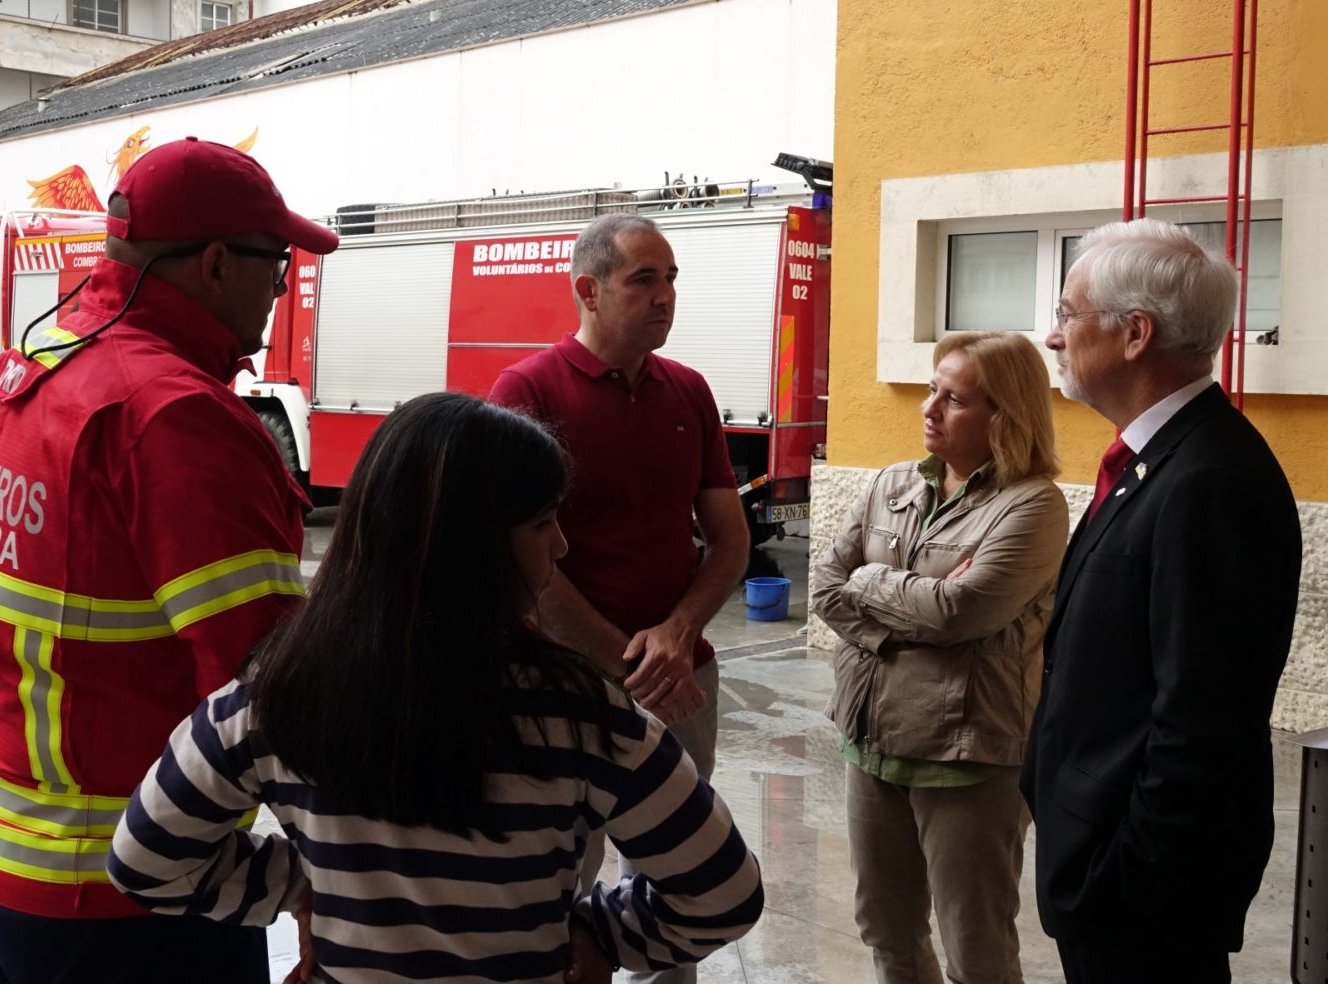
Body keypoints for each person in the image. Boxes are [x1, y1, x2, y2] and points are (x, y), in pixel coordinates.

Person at [107, 392, 764, 982]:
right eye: (542, 524)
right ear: (474, 548)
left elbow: (145, 860)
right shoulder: (586, 718)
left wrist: (307, 886)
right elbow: (722, 893)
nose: (561, 548)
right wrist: (601, 937)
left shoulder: (274, 697)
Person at [0, 137, 337, 982]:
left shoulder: (35, 368)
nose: (279, 291)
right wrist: (337, 887)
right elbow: (272, 690)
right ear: (216, 264)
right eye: (277, 268)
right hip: (126, 901)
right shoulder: (174, 418)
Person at [1022, 218, 1300, 984]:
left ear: (1135, 333)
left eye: (1069, 315)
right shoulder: (1158, 459)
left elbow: (1203, 722)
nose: (1053, 338)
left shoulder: (1209, 479)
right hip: (1102, 863)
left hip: (1142, 895)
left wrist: (1126, 874)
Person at [488, 213, 750, 980]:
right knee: (556, 875)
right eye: (645, 279)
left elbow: (729, 539)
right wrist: (628, 664)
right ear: (588, 291)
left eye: (672, 279)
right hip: (561, 682)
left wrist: (677, 635)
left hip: (683, 678)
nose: (666, 296)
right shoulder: (527, 390)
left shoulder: (689, 392)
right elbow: (519, 555)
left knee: (676, 877)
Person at [811, 330, 1068, 984]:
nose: (929, 407)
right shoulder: (894, 483)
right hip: (872, 741)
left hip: (966, 756)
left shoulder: (1032, 505)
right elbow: (823, 588)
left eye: (953, 399)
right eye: (933, 389)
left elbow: (965, 612)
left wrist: (871, 583)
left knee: (973, 945)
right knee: (885, 927)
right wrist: (900, 621)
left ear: (1004, 416)